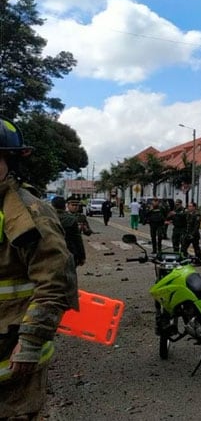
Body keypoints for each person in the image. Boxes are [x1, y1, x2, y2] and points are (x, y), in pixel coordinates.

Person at [0, 119, 78, 419]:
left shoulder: (28, 213)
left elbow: (54, 282)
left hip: (11, 355)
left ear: (10, 160)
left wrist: (31, 341)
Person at [51, 196, 87, 267]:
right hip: (69, 252)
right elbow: (77, 239)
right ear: (65, 206)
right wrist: (82, 256)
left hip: (51, 253)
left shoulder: (47, 218)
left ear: (52, 206)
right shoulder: (71, 219)